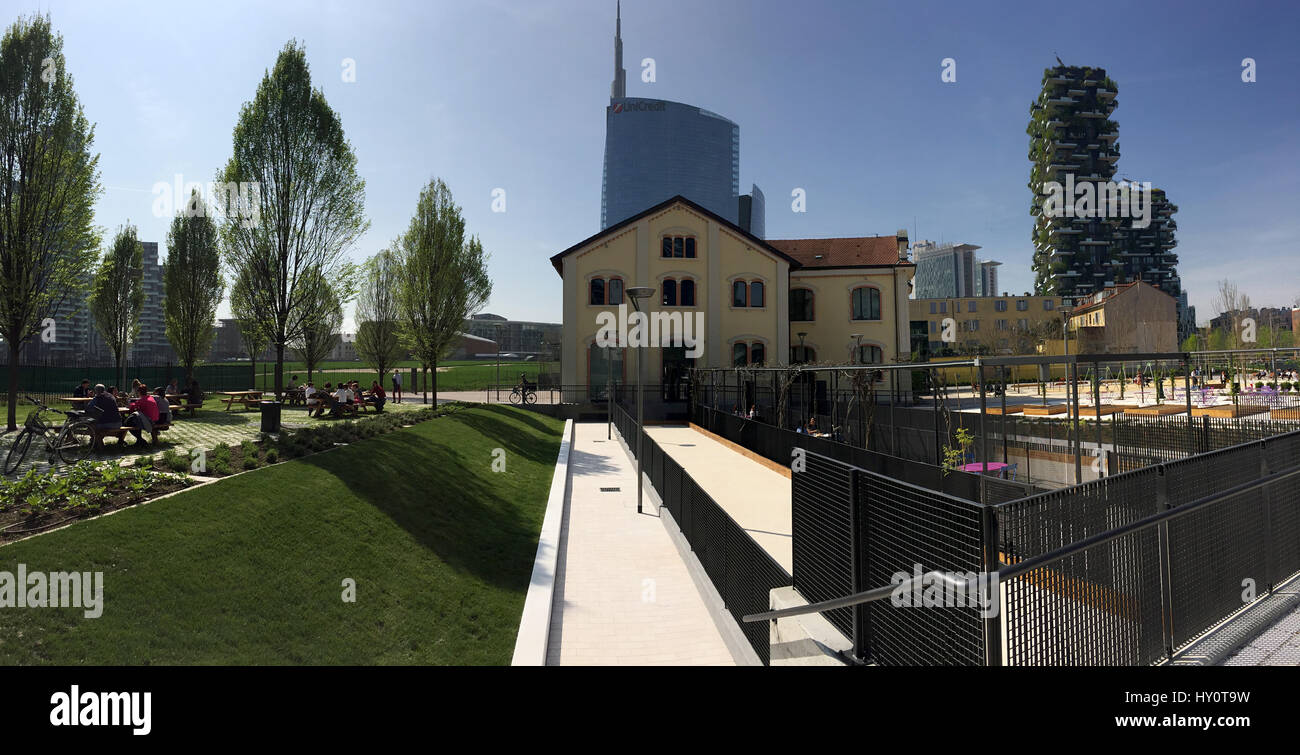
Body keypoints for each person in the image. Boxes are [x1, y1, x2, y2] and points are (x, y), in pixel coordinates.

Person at [88, 384, 122, 450]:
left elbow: (88, 407)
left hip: (106, 424)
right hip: (118, 423)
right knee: (99, 425)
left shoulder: (97, 398)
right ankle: (95, 442)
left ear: (96, 391)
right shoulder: (111, 396)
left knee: (92, 426)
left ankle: (99, 446)